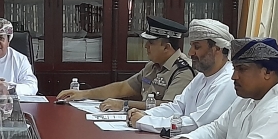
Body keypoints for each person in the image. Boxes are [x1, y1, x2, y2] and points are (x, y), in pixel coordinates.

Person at [56, 17, 194, 112]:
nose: (146, 46)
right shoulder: (152, 67)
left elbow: (168, 107)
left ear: (166, 47)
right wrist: (83, 94)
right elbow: (122, 88)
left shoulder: (183, 71)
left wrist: (124, 105)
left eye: (151, 43)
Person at [129, 19, 236, 134]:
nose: (190, 53)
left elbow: (196, 124)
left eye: (197, 47)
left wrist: (144, 121)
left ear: (217, 49)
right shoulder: (201, 76)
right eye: (191, 46)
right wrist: (146, 114)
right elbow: (177, 107)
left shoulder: (228, 80)